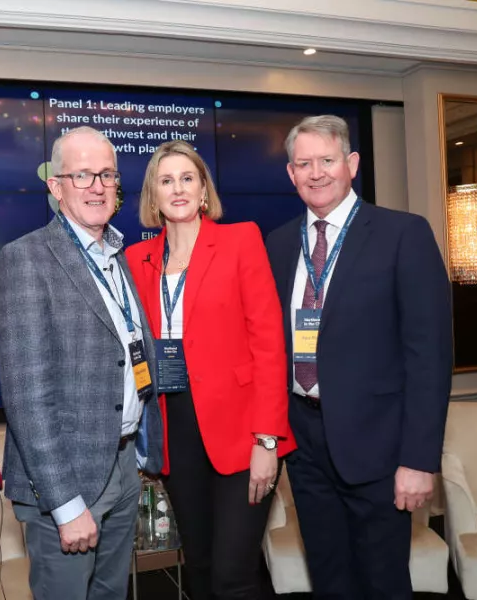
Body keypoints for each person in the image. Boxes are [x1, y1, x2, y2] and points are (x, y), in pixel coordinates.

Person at [265, 115, 452, 599]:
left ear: (351, 164)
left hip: (381, 450)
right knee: (329, 580)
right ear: (290, 174)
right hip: (304, 445)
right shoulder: (279, 244)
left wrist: (418, 459)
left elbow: (429, 357)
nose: (316, 172)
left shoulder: (403, 234)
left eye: (326, 160)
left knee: (383, 582)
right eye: (303, 163)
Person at [0, 126, 164, 600]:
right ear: (56, 186)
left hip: (124, 468)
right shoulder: (26, 259)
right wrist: (66, 505)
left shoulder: (116, 255)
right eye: (82, 174)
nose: (96, 186)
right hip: (66, 485)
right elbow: (27, 397)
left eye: (106, 174)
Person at [125, 140, 295, 600]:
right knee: (198, 566)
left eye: (187, 178)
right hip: (175, 431)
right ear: (153, 196)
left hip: (243, 431)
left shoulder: (241, 240)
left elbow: (269, 346)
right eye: (166, 180)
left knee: (233, 575)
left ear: (203, 190)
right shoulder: (136, 262)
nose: (177, 188)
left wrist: (268, 439)